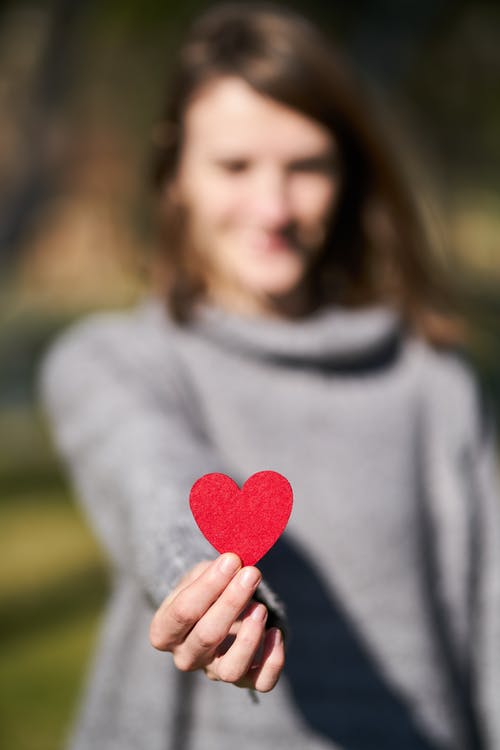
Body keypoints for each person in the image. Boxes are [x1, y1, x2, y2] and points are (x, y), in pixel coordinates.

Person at [39, 3, 500, 749]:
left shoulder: (435, 387)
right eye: (234, 165)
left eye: (306, 165)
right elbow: (148, 473)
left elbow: (490, 619)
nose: (273, 206)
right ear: (176, 170)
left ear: (347, 173)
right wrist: (201, 583)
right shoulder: (112, 362)